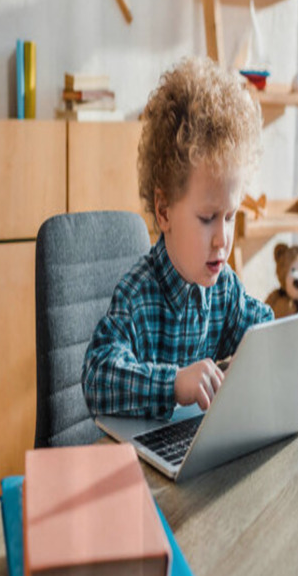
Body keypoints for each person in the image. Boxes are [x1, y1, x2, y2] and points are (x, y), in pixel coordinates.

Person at [82, 56, 274, 419]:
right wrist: (173, 383)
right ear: (164, 210)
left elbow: (265, 331)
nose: (222, 239)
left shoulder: (225, 290)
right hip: (142, 468)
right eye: (207, 218)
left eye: (230, 216)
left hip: (197, 459)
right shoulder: (137, 296)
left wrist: (271, 350)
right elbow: (96, 375)